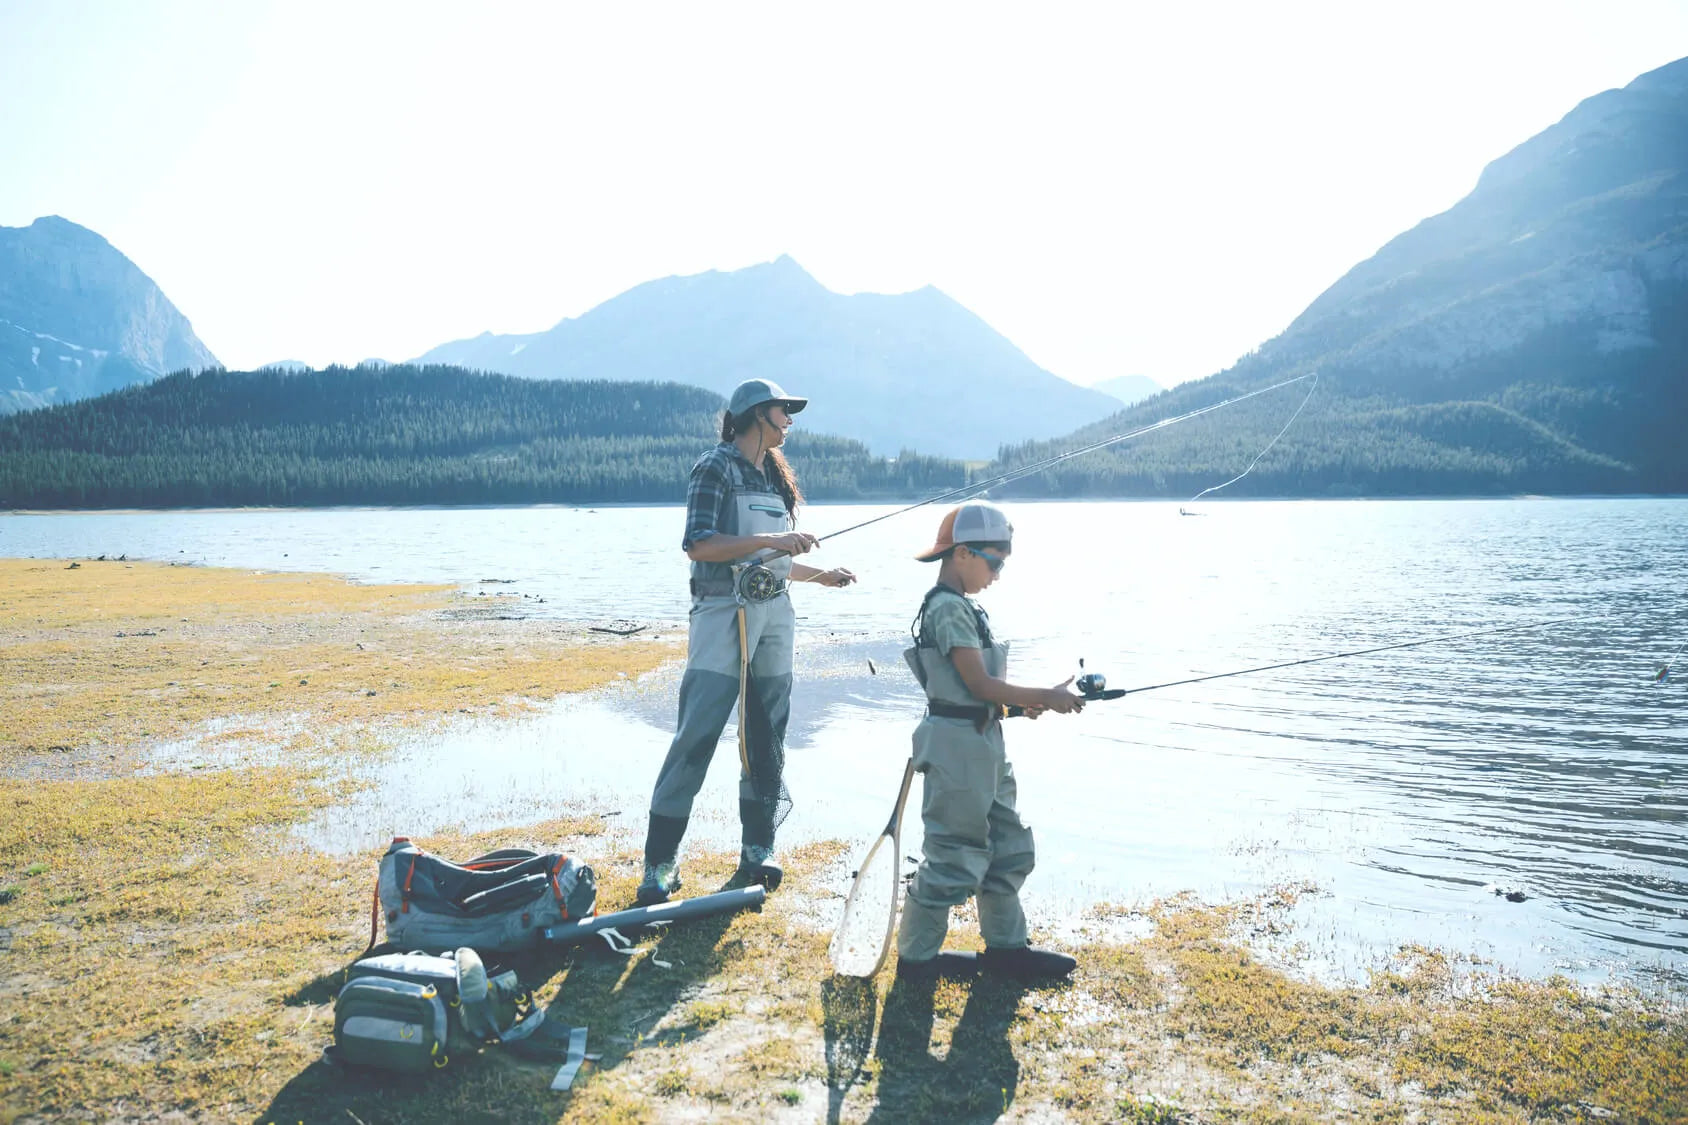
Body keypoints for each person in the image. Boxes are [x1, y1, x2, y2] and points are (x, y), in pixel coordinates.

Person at [637, 378, 856, 905]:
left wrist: (817, 574)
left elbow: (774, 560)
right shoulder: (714, 466)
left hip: (775, 614)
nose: (790, 420)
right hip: (721, 614)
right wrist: (769, 540)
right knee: (698, 734)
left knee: (766, 736)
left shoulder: (776, 477)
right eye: (785, 411)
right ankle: (659, 865)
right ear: (758, 414)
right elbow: (700, 545)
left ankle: (757, 851)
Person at [895, 500, 1082, 980]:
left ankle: (1007, 949)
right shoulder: (948, 610)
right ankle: (916, 961)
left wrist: (1021, 706)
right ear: (961, 553)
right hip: (956, 750)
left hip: (982, 743)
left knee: (1006, 845)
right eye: (994, 562)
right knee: (953, 853)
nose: (997, 574)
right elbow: (977, 685)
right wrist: (1044, 694)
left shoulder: (965, 607)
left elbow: (975, 694)